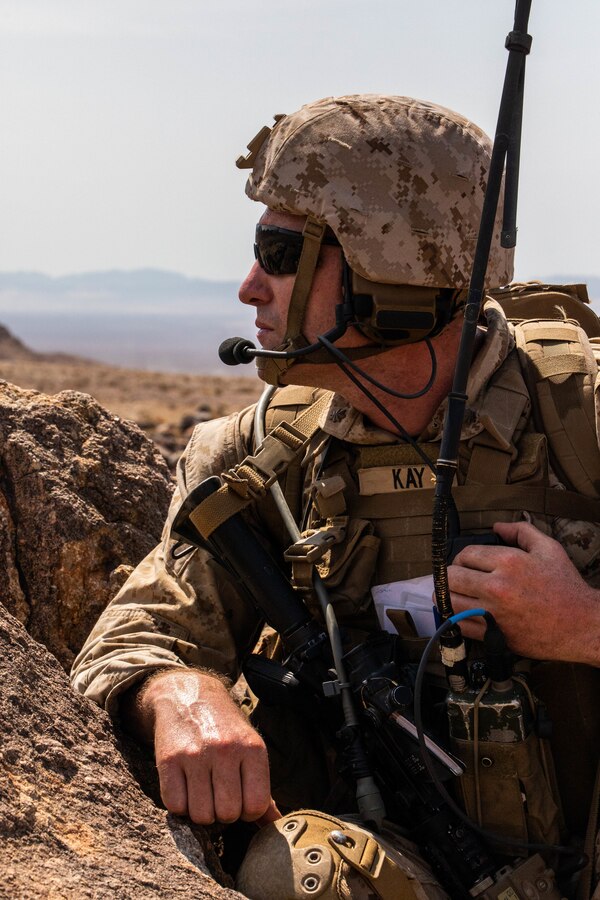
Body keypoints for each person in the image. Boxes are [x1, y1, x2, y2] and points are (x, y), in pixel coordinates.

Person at [71, 95, 600, 898]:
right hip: (410, 864)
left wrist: (585, 625)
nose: (251, 287)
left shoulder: (584, 420)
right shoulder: (264, 453)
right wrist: (179, 691)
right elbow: (133, 639)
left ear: (391, 266)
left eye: (283, 252)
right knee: (299, 873)